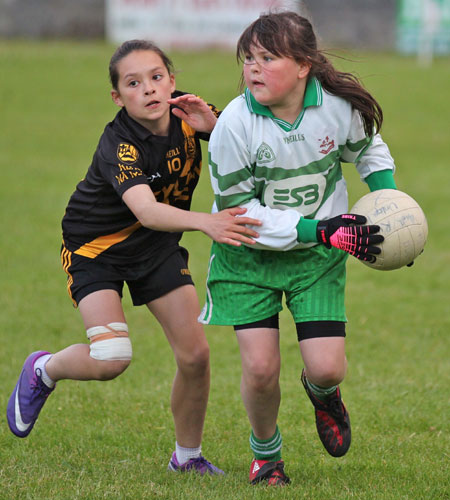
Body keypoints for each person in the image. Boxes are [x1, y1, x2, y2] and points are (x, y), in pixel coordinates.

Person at [6, 39, 262, 476]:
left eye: (156, 77)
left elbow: (254, 147)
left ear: (172, 81)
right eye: (133, 82)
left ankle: (187, 458)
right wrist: (207, 222)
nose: (148, 89)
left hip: (154, 246)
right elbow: (145, 209)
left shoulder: (191, 116)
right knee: (112, 359)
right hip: (96, 248)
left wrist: (215, 125)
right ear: (118, 96)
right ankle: (44, 369)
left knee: (196, 356)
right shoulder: (119, 144)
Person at [199, 11, 398, 485]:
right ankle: (266, 457)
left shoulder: (335, 107)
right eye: (249, 58)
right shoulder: (234, 124)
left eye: (268, 58)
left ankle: (321, 393)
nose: (254, 68)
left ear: (304, 65)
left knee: (328, 368)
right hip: (248, 257)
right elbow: (240, 214)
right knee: (262, 369)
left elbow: (367, 149)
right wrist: (322, 228)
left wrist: (390, 203)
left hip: (315, 260)